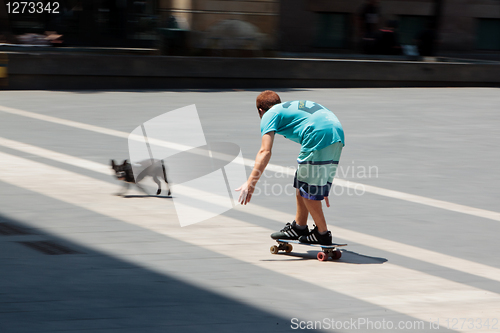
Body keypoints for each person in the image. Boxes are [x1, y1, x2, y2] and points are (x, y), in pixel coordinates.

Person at [236, 91, 345, 245]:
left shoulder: (269, 114)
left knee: (307, 188)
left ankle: (322, 233)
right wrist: (322, 182)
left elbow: (265, 151)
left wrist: (251, 183)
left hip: (318, 133)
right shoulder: (288, 108)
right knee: (302, 180)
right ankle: (299, 227)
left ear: (260, 111)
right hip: (337, 131)